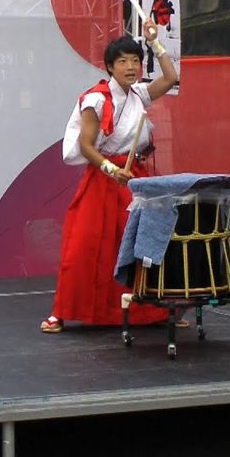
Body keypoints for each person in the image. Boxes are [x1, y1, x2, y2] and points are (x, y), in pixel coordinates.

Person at [41, 19, 177, 333]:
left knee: (144, 243)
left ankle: (154, 309)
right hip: (105, 177)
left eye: (135, 61)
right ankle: (62, 312)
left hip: (135, 177)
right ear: (109, 67)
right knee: (86, 244)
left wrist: (154, 42)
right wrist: (111, 169)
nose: (131, 67)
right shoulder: (96, 99)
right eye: (123, 61)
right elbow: (86, 146)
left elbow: (171, 77)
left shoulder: (139, 95)